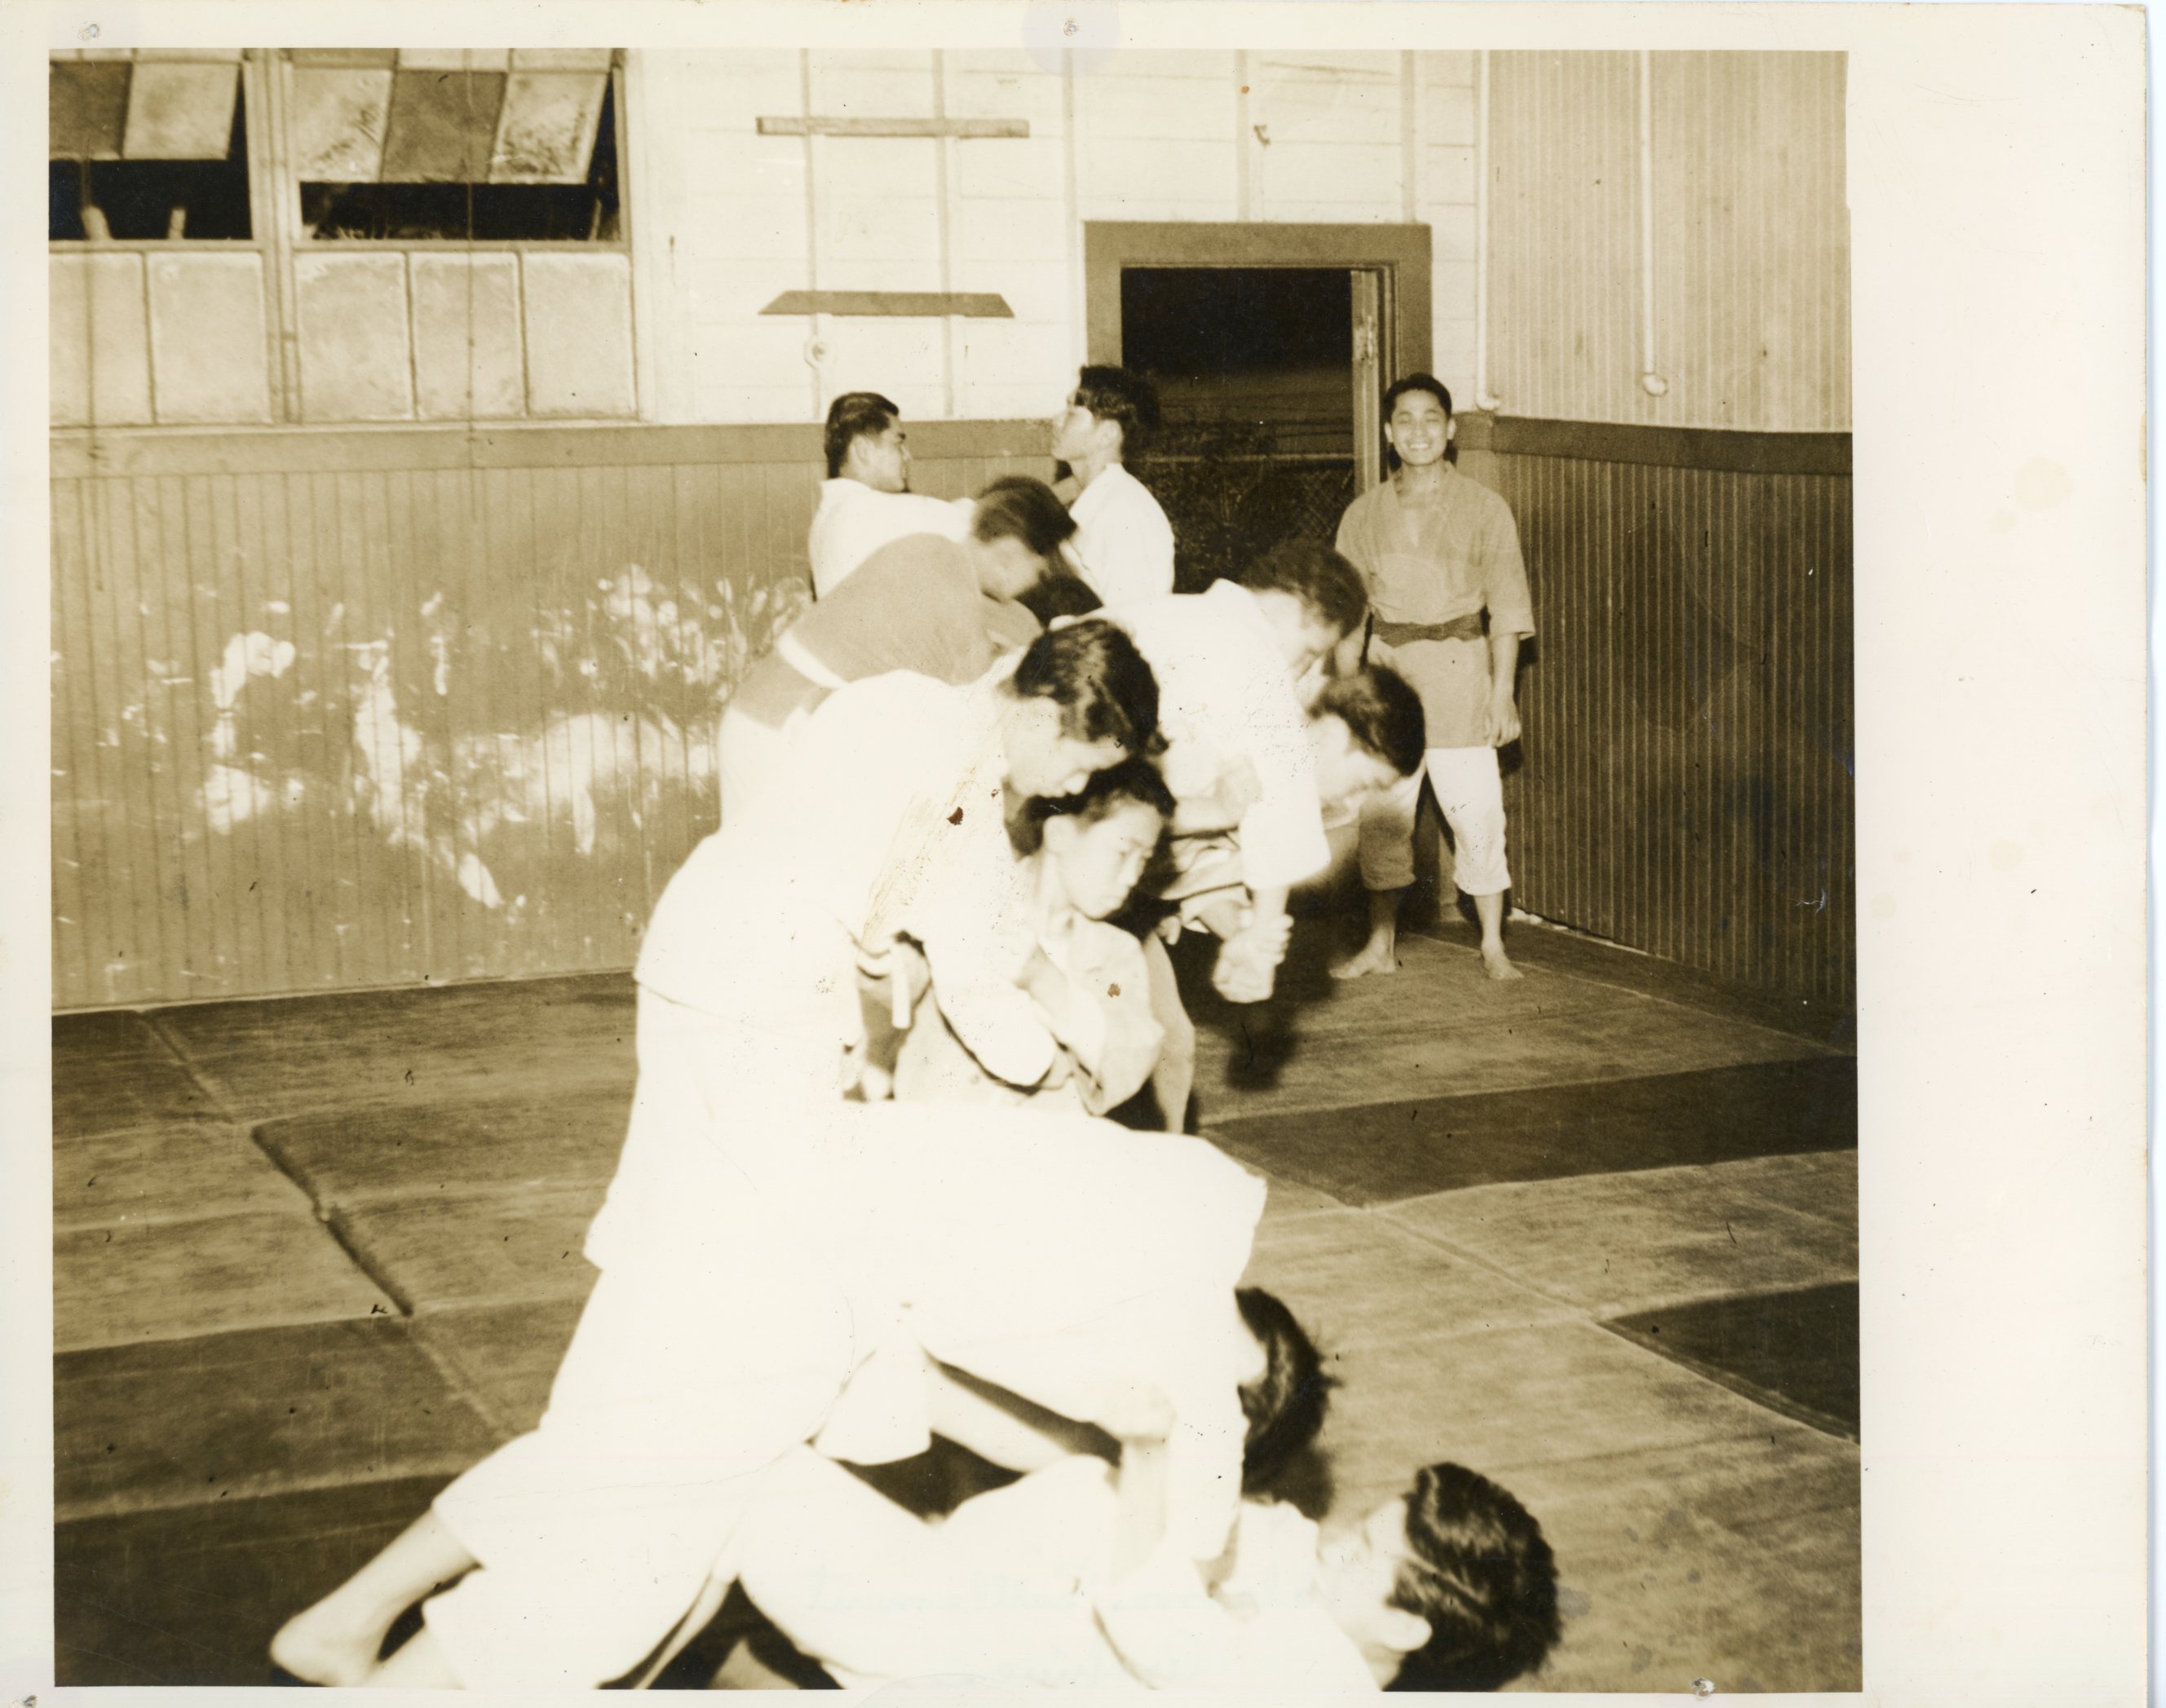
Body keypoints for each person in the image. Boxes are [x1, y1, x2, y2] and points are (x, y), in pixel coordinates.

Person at [267, 1104, 1285, 1691]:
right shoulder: (1178, 1262)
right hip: (778, 1238)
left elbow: (946, 1395)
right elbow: (1169, 1540)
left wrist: (1140, 1454)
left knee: (623, 1477)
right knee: (628, 1562)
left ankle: (348, 1619)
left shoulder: (1131, 1292)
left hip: (756, 1197)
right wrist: (1164, 1450)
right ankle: (371, 1658)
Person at [710, 1431, 1560, 1692]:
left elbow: (1155, 1628)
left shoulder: (1313, 1683)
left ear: (1407, 1624)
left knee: (729, 1478)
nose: (1338, 1542)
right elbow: (1275, 1533)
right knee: (738, 1479)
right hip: (963, 1613)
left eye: (1364, 1553)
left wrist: (1152, 1453)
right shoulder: (1322, 1623)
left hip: (944, 1643)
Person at [1090, 542, 1370, 1126]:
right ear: (1295, 606)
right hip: (1041, 860)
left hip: (1068, 853)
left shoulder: (1173, 618)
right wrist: (1261, 938)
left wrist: (1245, 932)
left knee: (1166, 1044)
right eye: (1310, 652)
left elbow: (1182, 847)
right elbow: (1281, 798)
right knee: (1120, 1051)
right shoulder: (1243, 646)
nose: (1303, 672)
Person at [1331, 374, 1536, 982]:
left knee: (1477, 816)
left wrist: (1502, 694)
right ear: (1389, 433)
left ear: (1450, 430)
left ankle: (1493, 943)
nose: (1418, 432)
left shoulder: (1485, 508)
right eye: (1405, 420)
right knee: (1382, 817)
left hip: (1461, 676)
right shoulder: (1363, 514)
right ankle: (1380, 944)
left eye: (1431, 419)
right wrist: (1347, 695)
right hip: (1388, 679)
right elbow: (1348, 617)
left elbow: (1508, 609)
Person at [722, 474, 1072, 817]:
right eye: (1038, 572)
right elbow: (983, 716)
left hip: (764, 717)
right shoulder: (954, 593)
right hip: (780, 730)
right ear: (1009, 556)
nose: (1033, 585)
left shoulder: (930, 549)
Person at [881, 757, 1175, 1114]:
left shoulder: (1117, 952)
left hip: (1046, 1136)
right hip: (939, 1121)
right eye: (1123, 851)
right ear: (1059, 834)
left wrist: (1049, 985)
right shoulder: (969, 905)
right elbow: (887, 996)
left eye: (1143, 860)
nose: (1132, 877)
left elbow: (1134, 1056)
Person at [808, 391, 974, 596]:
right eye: (898, 443)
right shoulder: (864, 510)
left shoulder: (829, 512)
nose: (907, 455)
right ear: (863, 450)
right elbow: (971, 520)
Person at [1050, 365, 1177, 605]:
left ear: (1107, 435)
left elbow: (1129, 616)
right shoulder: (1090, 496)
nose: (1056, 420)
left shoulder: (1124, 513)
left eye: (1072, 412)